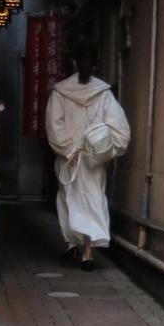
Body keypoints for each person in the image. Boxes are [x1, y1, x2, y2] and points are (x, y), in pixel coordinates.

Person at [44, 45, 130, 271]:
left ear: (74, 63)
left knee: (68, 199)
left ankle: (72, 244)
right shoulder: (103, 94)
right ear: (95, 65)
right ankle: (88, 253)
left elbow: (54, 125)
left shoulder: (60, 92)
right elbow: (120, 130)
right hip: (94, 160)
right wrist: (107, 150)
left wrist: (69, 150)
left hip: (68, 159)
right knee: (92, 200)